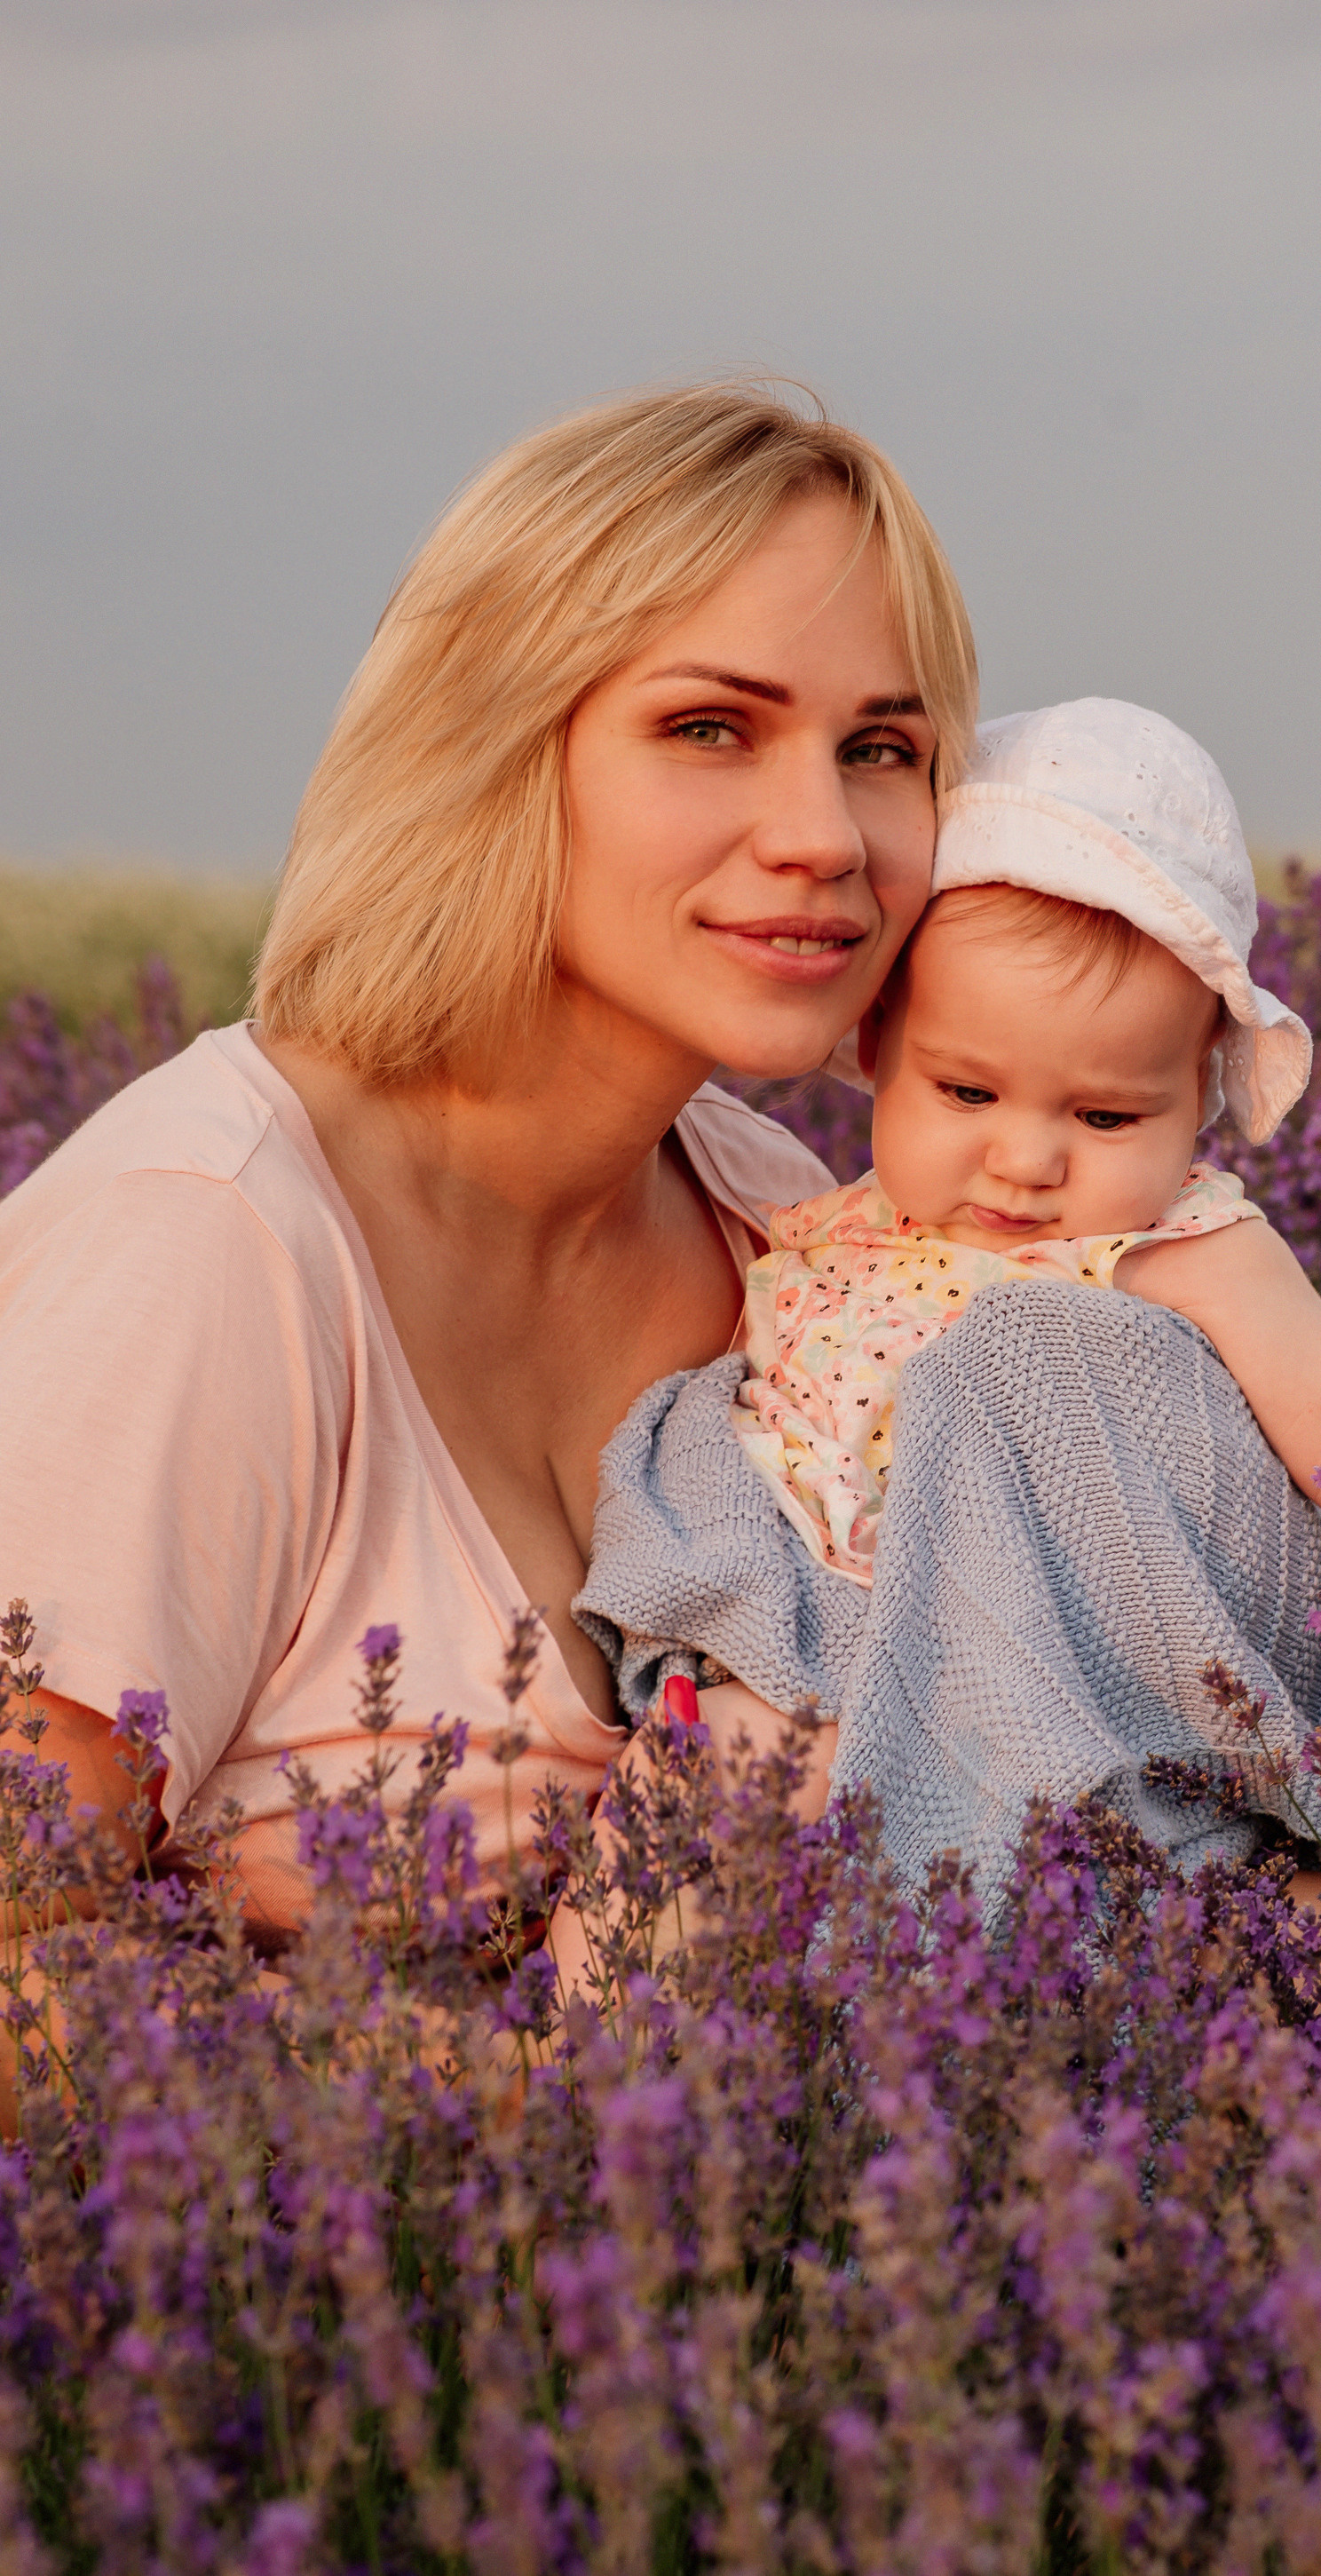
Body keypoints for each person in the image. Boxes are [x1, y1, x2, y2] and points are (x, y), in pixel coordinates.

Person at [0, 379, 977, 1957]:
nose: (826, 833)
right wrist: (497, 2080)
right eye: (710, 727)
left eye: (881, 747)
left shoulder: (774, 1220)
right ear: (496, 745)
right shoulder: (212, 1237)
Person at [565, 701, 1321, 1934]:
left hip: (1036, 1674)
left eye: (1106, 1117)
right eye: (966, 1091)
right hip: (795, 1641)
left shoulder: (1180, 1247)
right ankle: (578, 2045)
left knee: (1114, 1915)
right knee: (668, 1823)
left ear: (1198, 1099)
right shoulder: (836, 1228)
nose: (1027, 1161)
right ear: (879, 1040)